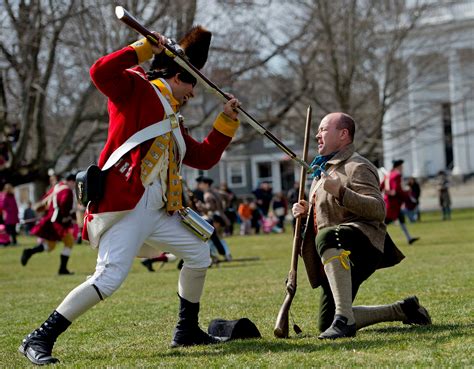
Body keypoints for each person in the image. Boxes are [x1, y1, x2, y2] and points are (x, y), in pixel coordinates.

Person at [19, 26, 241, 365]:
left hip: (159, 209)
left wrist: (224, 123)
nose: (193, 94)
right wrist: (143, 48)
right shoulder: (135, 89)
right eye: (192, 83)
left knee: (198, 252)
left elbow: (203, 157)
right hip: (126, 207)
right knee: (108, 279)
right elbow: (100, 71)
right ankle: (40, 337)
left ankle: (186, 331)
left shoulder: (172, 116)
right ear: (178, 76)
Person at [293, 112, 431, 340]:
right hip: (335, 250)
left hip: (363, 245)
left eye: (323, 129)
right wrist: (307, 213)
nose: (317, 135)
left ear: (343, 134)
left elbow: (378, 210)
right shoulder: (321, 173)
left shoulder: (358, 166)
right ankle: (404, 310)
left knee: (328, 237)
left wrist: (341, 191)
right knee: (326, 323)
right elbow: (328, 215)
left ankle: (344, 320)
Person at [20, 174, 77, 274]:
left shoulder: (56, 187)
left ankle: (29, 251)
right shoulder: (67, 190)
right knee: (69, 242)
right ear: (71, 181)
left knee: (51, 246)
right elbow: (64, 204)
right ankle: (62, 269)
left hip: (50, 220)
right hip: (58, 222)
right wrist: (66, 216)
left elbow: (45, 200)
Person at [381, 160, 419, 245]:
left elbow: (381, 187)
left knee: (401, 219)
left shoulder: (388, 175)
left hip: (390, 203)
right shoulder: (396, 175)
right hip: (393, 204)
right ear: (398, 167)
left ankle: (409, 238)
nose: (402, 168)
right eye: (401, 167)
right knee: (384, 223)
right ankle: (374, 239)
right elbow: (396, 191)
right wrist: (407, 193)